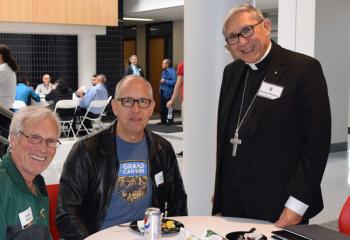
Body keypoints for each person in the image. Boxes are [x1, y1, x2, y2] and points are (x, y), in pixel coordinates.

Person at [212, 4, 331, 228]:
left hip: (279, 204)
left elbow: (316, 146)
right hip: (233, 203)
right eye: (233, 38)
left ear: (266, 27)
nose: (242, 42)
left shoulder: (304, 69)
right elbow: (225, 138)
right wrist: (220, 197)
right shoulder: (232, 73)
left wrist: (295, 208)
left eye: (247, 31)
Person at [56, 75, 187, 239]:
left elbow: (178, 201)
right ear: (115, 106)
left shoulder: (162, 148)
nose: (136, 109)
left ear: (152, 106)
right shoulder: (86, 150)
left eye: (143, 101)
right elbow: (66, 213)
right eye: (127, 101)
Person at [0, 106, 61, 239]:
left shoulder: (37, 182)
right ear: (13, 139)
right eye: (34, 138)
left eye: (51, 141)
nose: (43, 149)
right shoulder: (3, 186)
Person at [167, 60, 184, 155]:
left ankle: (187, 148)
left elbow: (178, 83)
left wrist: (172, 100)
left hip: (187, 101)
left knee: (187, 126)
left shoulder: (183, 64)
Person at [0, 44, 18, 109]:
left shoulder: (1, 69)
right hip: (8, 107)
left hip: (2, 109)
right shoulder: (10, 69)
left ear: (0, 56)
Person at [159, 59, 176, 125]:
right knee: (162, 107)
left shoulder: (172, 72)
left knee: (169, 107)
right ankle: (163, 121)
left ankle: (169, 121)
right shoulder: (164, 72)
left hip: (169, 92)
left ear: (167, 64)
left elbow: (174, 82)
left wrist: (165, 81)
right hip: (162, 91)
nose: (162, 65)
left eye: (163, 63)